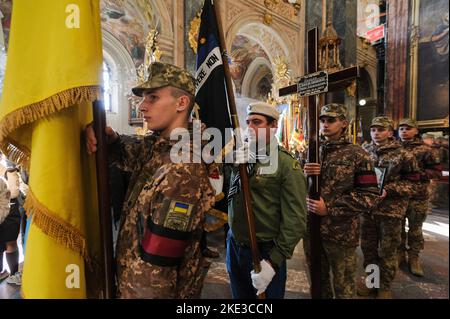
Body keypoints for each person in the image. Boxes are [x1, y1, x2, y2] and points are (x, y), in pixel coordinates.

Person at [86, 62, 215, 298]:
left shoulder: (182, 170)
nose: (142, 106)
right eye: (143, 98)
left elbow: (157, 268)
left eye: (153, 97)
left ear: (182, 103)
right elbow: (128, 152)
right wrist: (108, 137)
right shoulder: (159, 147)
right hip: (130, 283)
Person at [226, 102, 307, 299]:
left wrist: (273, 262)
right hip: (235, 245)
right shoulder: (243, 157)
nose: (250, 128)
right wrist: (232, 167)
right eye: (248, 122)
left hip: (265, 250)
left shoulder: (286, 164)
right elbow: (233, 197)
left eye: (257, 122)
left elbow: (296, 219)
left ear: (273, 127)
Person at [303, 104, 379, 299]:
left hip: (341, 232)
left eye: (331, 120)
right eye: (322, 120)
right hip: (311, 228)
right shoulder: (311, 151)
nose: (325, 124)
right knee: (318, 282)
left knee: (343, 285)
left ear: (344, 123)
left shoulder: (358, 154)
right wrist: (303, 175)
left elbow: (369, 195)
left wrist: (329, 208)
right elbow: (298, 188)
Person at [359, 116, 421, 299]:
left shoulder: (404, 154)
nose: (376, 133)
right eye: (373, 130)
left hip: (391, 210)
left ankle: (384, 287)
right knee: (368, 249)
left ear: (389, 132)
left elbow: (414, 183)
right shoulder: (363, 151)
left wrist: (389, 189)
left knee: (388, 250)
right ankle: (372, 283)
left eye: (381, 130)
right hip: (368, 209)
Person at [397, 119, 442, 276]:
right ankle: (400, 254)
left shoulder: (426, 150)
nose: (403, 131)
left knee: (415, 229)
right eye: (401, 128)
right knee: (398, 228)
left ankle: (414, 257)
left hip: (418, 196)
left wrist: (418, 175)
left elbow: (436, 172)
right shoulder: (393, 148)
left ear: (416, 130)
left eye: (408, 128)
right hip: (397, 196)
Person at [0, 156, 21, 285]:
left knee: (11, 243)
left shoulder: (8, 162)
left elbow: (13, 192)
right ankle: (2, 272)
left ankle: (14, 273)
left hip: (9, 204)